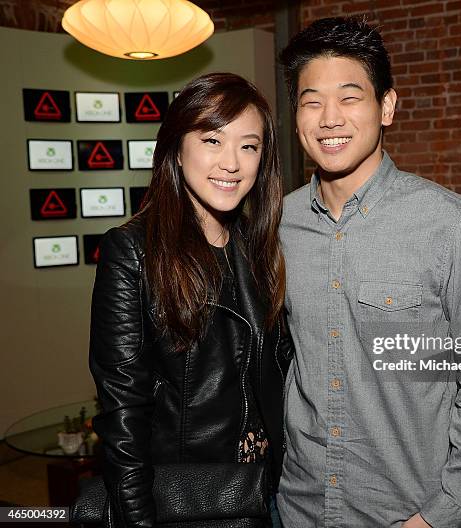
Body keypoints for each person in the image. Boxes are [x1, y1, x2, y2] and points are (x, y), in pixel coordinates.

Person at [277, 17, 461, 528]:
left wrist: (442, 513)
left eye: (349, 97)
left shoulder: (448, 224)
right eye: (311, 101)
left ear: (386, 106)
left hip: (405, 513)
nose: (329, 119)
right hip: (298, 505)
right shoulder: (278, 225)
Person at [89, 73, 288, 528]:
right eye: (212, 140)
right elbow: (123, 412)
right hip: (186, 504)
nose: (231, 163)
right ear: (178, 148)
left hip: (265, 493)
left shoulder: (258, 247)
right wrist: (138, 520)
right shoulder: (132, 251)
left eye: (249, 146)